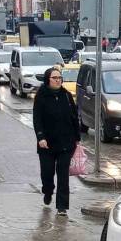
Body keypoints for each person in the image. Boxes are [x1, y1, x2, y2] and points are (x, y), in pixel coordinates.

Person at [33, 68, 81, 216]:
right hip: (46, 144)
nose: (58, 80)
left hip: (66, 143)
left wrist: (77, 138)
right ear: (48, 79)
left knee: (63, 175)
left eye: (60, 77)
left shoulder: (66, 95)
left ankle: (62, 206)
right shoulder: (41, 96)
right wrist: (40, 137)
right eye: (54, 78)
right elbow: (37, 119)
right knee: (47, 174)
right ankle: (48, 191)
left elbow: (74, 117)